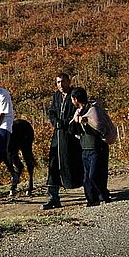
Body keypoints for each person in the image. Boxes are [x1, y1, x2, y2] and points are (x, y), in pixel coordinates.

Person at [42, 72, 83, 210]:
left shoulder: (74, 94)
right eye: (58, 82)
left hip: (71, 135)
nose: (60, 85)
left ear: (68, 82)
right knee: (53, 163)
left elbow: (78, 111)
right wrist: (56, 122)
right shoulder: (56, 96)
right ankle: (53, 197)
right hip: (58, 134)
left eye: (63, 82)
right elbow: (52, 111)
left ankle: (91, 192)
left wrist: (66, 123)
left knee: (75, 162)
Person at [68, 87, 112, 206]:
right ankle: (92, 200)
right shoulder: (78, 112)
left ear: (75, 99)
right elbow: (72, 130)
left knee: (95, 175)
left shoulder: (93, 110)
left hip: (97, 148)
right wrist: (76, 121)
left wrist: (86, 122)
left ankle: (104, 195)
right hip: (85, 149)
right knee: (87, 178)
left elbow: (100, 129)